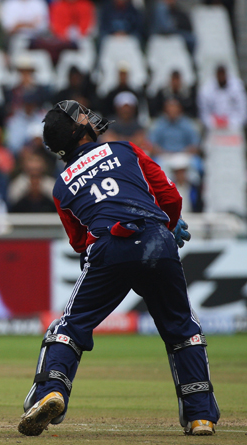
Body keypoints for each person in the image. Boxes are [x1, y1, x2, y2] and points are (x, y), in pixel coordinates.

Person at [17, 100, 220, 437]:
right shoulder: (125, 150)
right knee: (181, 326)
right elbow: (170, 198)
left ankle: (50, 391)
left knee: (70, 326)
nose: (88, 116)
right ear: (77, 130)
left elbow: (80, 242)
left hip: (110, 246)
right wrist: (167, 225)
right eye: (81, 115)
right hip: (157, 238)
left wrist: (104, 259)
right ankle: (201, 417)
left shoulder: (61, 185)